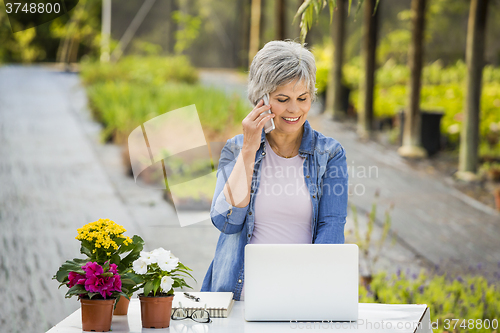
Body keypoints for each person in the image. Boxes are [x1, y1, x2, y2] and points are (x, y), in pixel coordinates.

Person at [200, 40, 348, 301]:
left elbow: (331, 229)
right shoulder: (236, 149)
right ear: (262, 99)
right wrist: (249, 148)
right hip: (238, 296)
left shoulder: (330, 154)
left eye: (303, 98)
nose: (294, 109)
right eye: (283, 99)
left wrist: (313, 295)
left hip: (300, 297)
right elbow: (226, 221)